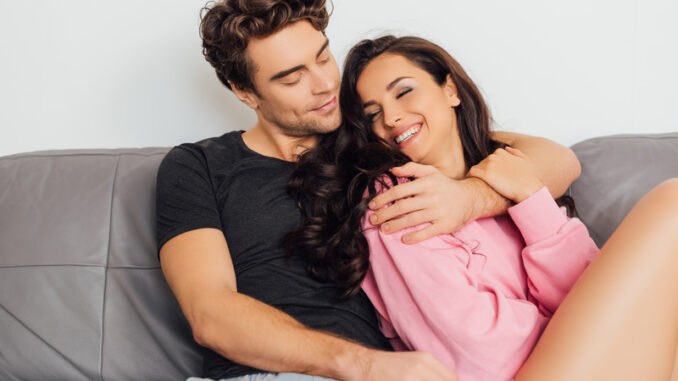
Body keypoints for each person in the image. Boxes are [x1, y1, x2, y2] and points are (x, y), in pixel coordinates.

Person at [155, 1, 581, 380]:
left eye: (323, 57)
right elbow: (209, 313)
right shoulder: (201, 165)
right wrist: (363, 365)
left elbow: (556, 160)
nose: (324, 85)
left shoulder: (377, 137)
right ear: (245, 93)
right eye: (292, 78)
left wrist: (469, 198)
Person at [287, 35, 678, 381]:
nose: (391, 118)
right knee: (671, 205)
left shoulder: (503, 175)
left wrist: (529, 197)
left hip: (580, 363)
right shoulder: (391, 202)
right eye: (372, 114)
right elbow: (477, 356)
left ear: (451, 90)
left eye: (403, 92)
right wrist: (580, 326)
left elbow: (586, 287)